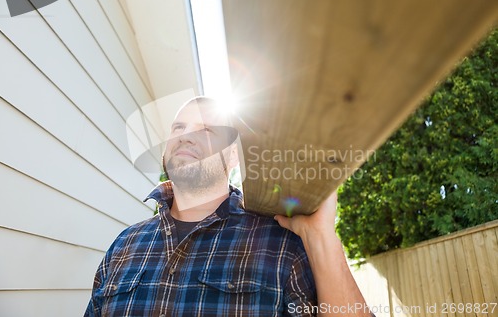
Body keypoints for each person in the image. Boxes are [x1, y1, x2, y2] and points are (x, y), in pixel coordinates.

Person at [84, 97, 372, 316]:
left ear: (233, 156)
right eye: (178, 127)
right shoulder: (123, 246)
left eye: (207, 130)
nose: (185, 135)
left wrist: (321, 235)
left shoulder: (279, 243)